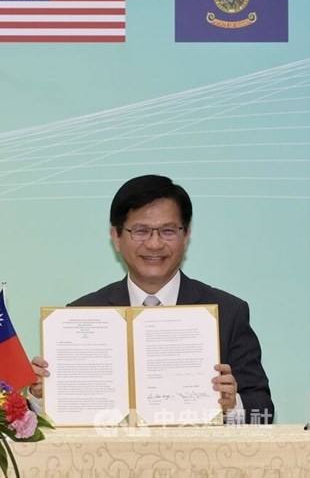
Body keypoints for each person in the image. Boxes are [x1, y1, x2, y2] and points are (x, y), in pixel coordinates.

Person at [30, 175, 274, 424]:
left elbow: (264, 411)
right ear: (116, 236)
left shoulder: (228, 312)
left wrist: (231, 405)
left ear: (186, 234)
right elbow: (60, 424)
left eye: (168, 231)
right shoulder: (80, 314)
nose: (155, 244)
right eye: (141, 231)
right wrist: (42, 397)